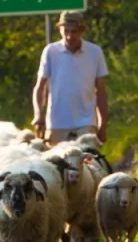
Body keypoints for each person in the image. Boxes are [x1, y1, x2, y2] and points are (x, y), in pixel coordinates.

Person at [32, 10, 109, 143]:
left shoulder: (95, 52)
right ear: (59, 29)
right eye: (66, 31)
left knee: (89, 155)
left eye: (74, 31)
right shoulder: (51, 51)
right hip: (57, 123)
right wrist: (38, 115)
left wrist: (102, 124)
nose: (69, 36)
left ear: (81, 31)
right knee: (56, 156)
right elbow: (40, 86)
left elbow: (101, 91)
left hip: (86, 122)